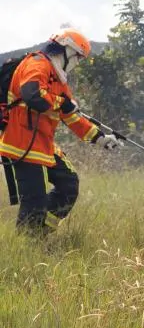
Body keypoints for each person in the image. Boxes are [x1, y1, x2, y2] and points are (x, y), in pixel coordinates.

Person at [0, 29, 122, 236]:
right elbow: (33, 96)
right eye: (78, 58)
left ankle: (39, 232)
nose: (78, 63)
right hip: (22, 145)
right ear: (68, 50)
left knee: (69, 185)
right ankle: (28, 243)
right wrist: (61, 103)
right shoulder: (37, 64)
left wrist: (100, 138)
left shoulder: (59, 80)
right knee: (34, 201)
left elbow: (71, 116)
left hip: (43, 146)